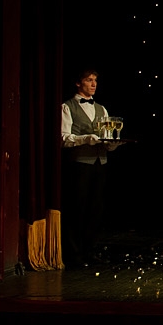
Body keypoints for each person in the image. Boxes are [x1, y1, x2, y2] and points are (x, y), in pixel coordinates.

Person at [60, 68, 119, 268]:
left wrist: (112, 144)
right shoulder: (67, 107)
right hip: (79, 164)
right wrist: (85, 139)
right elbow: (63, 138)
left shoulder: (102, 109)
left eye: (95, 80)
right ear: (78, 83)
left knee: (96, 210)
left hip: (100, 163)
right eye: (89, 80)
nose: (93, 84)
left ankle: (89, 250)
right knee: (77, 208)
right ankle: (73, 254)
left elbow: (107, 138)